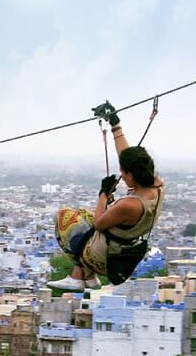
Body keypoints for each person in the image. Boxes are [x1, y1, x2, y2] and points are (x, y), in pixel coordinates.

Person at [49, 101, 165, 291]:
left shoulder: (132, 204)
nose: (123, 176)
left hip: (105, 257)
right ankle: (88, 276)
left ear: (131, 174)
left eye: (123, 173)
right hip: (122, 249)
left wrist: (103, 194)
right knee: (81, 213)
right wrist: (115, 123)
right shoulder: (157, 186)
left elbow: (98, 224)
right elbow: (129, 156)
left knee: (63, 217)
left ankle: (79, 275)